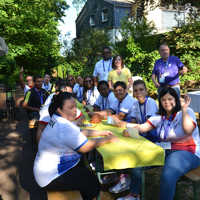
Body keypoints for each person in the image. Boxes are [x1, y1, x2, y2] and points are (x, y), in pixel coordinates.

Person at [112, 87, 200, 200]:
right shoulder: (160, 117)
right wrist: (123, 125)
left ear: (176, 100)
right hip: (165, 150)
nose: (167, 102)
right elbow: (142, 127)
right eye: (164, 99)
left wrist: (183, 109)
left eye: (170, 99)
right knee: (138, 163)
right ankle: (134, 195)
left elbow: (188, 130)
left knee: (168, 175)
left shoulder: (187, 112)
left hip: (187, 152)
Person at [33, 92, 118, 200]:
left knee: (84, 168)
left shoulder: (57, 119)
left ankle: (93, 191)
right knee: (90, 180)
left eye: (75, 106)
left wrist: (101, 133)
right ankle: (97, 195)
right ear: (60, 109)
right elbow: (85, 147)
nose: (75, 110)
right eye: (71, 107)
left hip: (44, 171)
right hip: (50, 177)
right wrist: (108, 139)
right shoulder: (63, 126)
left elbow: (78, 131)